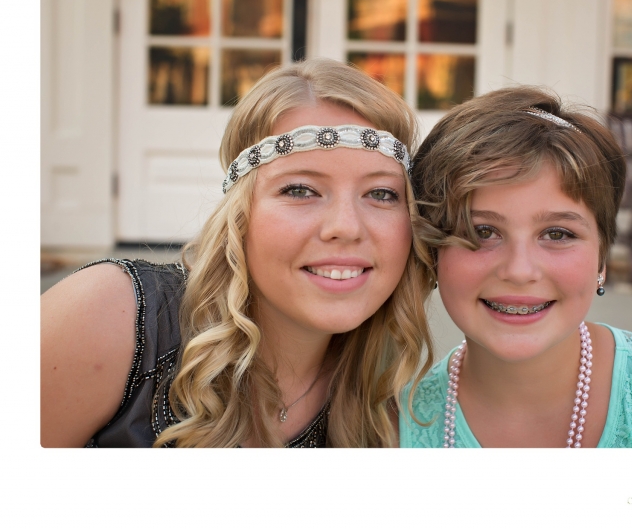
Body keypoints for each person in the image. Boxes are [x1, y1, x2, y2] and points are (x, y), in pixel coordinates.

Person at [41, 58, 434, 448]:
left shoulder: (398, 412)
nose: (346, 227)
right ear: (241, 214)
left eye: (381, 193)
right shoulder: (114, 315)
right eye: (300, 190)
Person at [400, 86, 632, 448]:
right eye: (482, 232)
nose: (519, 271)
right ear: (433, 252)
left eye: (557, 233)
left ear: (602, 257)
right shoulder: (394, 429)